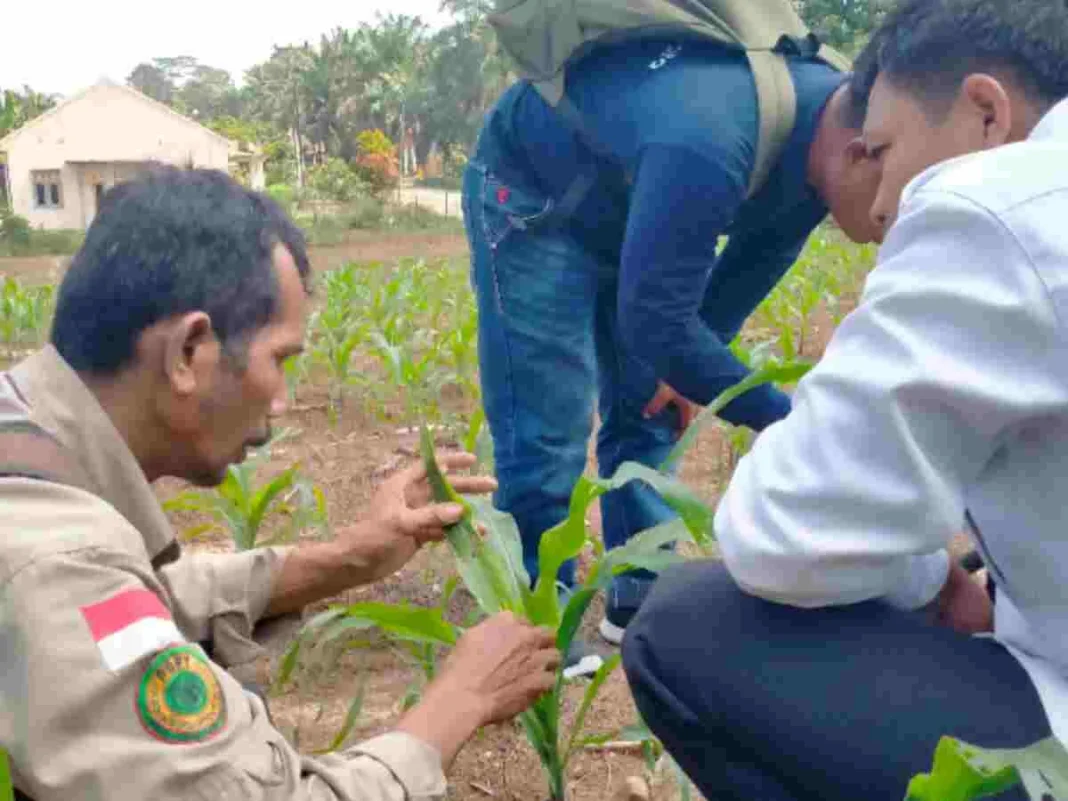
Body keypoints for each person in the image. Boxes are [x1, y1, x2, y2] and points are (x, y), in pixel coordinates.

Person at [622, 1, 1068, 799]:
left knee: (685, 623)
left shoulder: (999, 204)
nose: (884, 199)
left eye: (886, 151)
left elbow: (780, 533)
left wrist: (932, 582)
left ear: (986, 112)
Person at [0, 166, 560, 800]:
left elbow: (140, 602)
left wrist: (353, 557)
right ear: (188, 352)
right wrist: (458, 702)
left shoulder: (23, 428)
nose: (286, 402)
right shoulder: (58, 562)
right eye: (280, 359)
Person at [462, 23, 884, 664]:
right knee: (547, 426)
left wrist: (691, 370)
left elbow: (742, 272)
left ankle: (639, 585)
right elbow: (656, 322)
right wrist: (789, 423)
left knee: (653, 405)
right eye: (897, 193)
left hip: (634, 201)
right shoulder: (714, 140)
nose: (892, 219)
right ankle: (537, 613)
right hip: (534, 196)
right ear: (862, 151)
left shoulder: (825, 138)